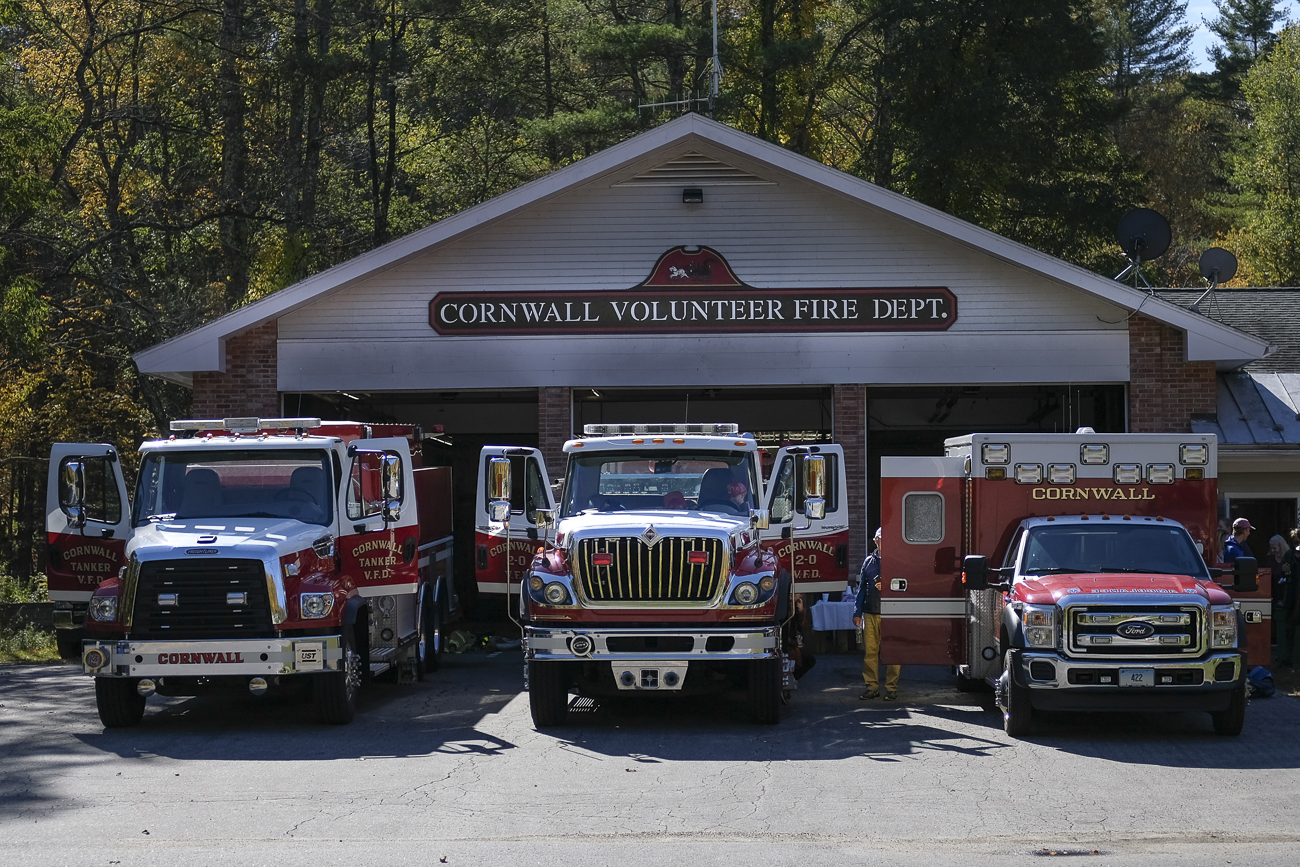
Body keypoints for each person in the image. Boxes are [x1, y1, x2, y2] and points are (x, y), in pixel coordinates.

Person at [853, 527, 900, 701]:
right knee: (870, 652)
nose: (883, 541)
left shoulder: (896, 561)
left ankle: (892, 688)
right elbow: (861, 589)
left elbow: (903, 586)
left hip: (891, 614)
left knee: (892, 652)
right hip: (870, 612)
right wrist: (857, 612)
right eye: (880, 538)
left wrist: (887, 587)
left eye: (886, 538)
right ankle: (872, 687)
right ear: (875, 540)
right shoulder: (868, 562)